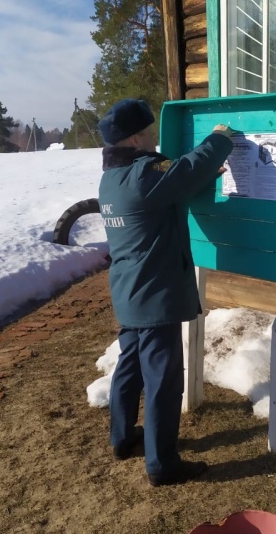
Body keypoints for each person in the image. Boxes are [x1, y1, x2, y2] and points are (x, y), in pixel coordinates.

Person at [98, 98, 234, 486]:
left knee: (129, 365)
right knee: (163, 379)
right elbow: (186, 168)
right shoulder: (146, 173)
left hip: (128, 290)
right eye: (150, 130)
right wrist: (220, 138)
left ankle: (122, 438)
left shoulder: (112, 178)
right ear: (136, 138)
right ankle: (162, 464)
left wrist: (197, 179)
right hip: (154, 294)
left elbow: (166, 193)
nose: (156, 136)